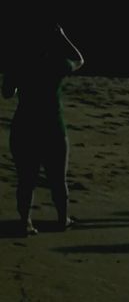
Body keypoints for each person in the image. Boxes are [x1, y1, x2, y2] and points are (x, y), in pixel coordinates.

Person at [2, 22, 84, 235]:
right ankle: (61, 219)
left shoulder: (19, 64)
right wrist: (64, 37)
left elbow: (8, 93)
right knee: (57, 179)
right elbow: (80, 60)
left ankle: (25, 222)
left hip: (25, 126)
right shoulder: (56, 63)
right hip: (52, 127)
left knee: (26, 179)